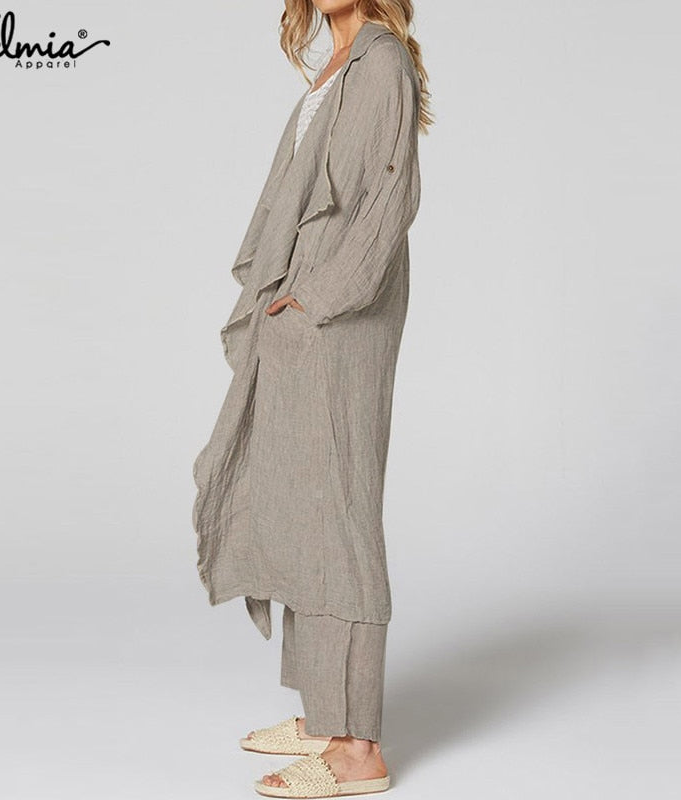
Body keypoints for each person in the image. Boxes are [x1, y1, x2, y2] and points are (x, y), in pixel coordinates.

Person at [192, 1, 432, 796]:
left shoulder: (381, 61)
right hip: (305, 308)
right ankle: (328, 718)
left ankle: (359, 751)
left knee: (340, 514)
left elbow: (388, 199)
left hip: (339, 314)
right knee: (304, 503)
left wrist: (319, 298)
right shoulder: (334, 64)